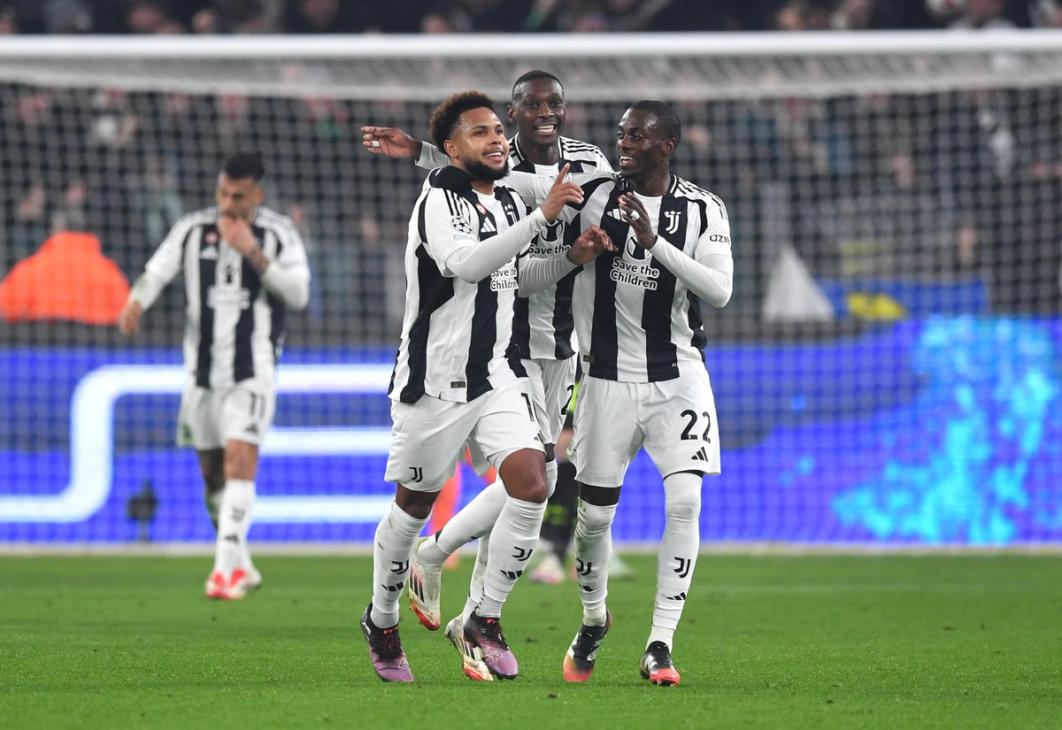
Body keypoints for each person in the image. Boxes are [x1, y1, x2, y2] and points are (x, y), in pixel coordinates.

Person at [360, 89, 612, 683]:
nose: (497, 139)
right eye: (480, 132)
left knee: (533, 479)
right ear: (452, 148)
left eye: (498, 129)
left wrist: (569, 256)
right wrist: (544, 215)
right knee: (413, 506)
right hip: (435, 381)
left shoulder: (502, 200)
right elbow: (468, 265)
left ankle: (484, 620)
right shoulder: (437, 201)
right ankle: (383, 617)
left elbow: (511, 278)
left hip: (496, 373)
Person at [512, 100, 734, 687]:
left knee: (685, 503)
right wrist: (425, 151)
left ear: (668, 145)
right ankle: (592, 620)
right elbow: (515, 172)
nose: (625, 143)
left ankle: (660, 644)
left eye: (637, 136)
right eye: (621, 134)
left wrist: (652, 240)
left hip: (679, 379)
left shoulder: (704, 208)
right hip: (605, 381)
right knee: (592, 521)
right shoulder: (592, 191)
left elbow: (720, 291)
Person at [117, 152, 310, 601]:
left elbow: (299, 294)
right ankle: (240, 562)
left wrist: (252, 252)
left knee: (240, 459)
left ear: (257, 196)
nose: (226, 203)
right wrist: (135, 302)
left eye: (237, 196)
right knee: (211, 478)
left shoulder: (277, 233)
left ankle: (225, 570)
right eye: (222, 193)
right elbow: (155, 271)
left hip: (252, 371)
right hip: (201, 376)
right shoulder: (190, 229)